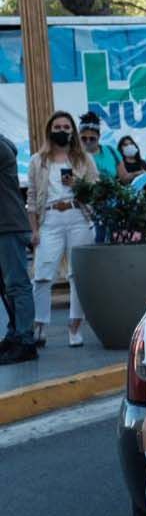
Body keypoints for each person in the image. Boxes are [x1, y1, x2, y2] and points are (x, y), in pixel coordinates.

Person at [26, 111, 97, 347]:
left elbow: (95, 191)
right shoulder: (38, 160)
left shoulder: (83, 159)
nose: (62, 130)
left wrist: (78, 184)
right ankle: (40, 325)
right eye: (57, 126)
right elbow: (32, 197)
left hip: (78, 215)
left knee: (77, 275)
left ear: (72, 131)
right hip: (50, 218)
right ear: (49, 130)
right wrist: (34, 229)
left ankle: (75, 326)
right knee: (42, 275)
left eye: (67, 127)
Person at [0, 132, 37, 364]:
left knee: (16, 284)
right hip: (6, 223)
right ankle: (15, 334)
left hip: (8, 224)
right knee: (8, 286)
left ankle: (25, 340)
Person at [78, 112, 125, 184]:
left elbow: (124, 178)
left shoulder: (112, 151)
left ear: (99, 136)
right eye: (84, 138)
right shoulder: (74, 155)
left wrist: (137, 174)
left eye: (92, 138)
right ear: (78, 136)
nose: (88, 142)